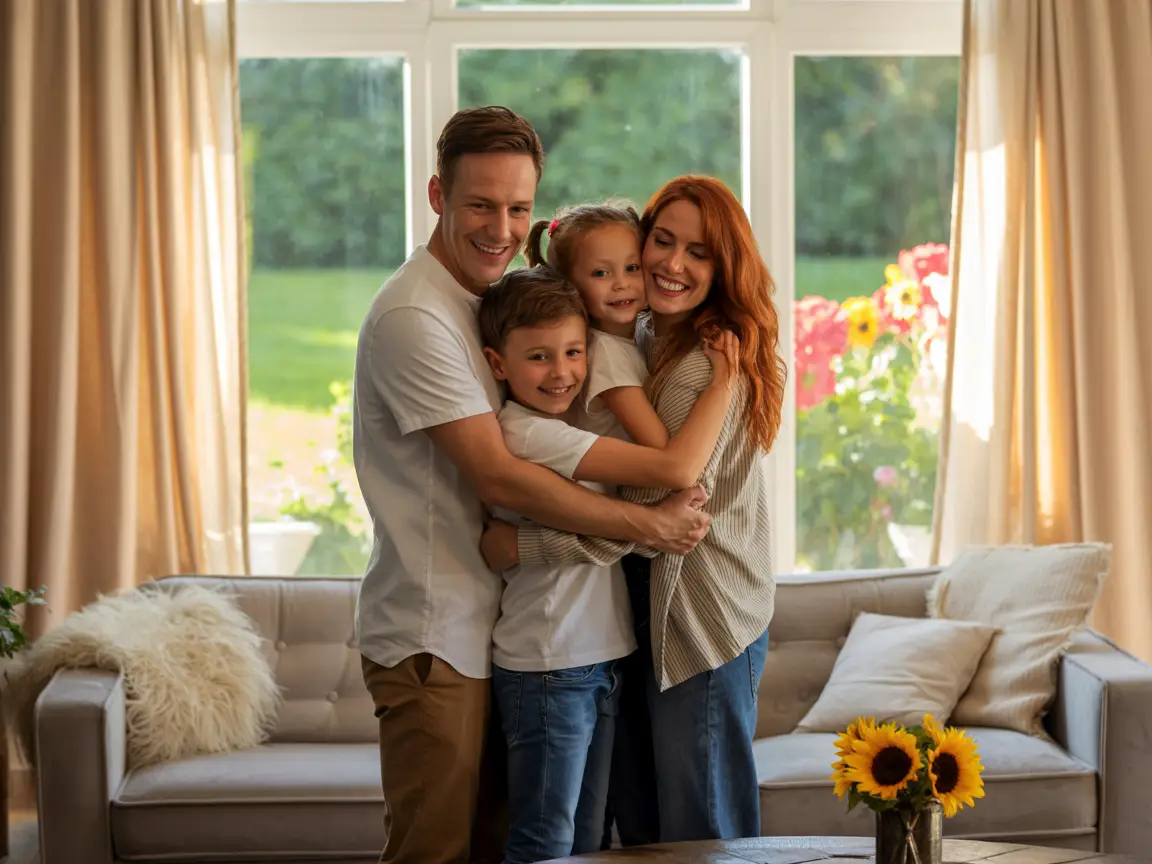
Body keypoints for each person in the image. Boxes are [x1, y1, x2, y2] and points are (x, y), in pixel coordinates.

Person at [352, 108, 713, 864]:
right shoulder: (416, 315)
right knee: (436, 851)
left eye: (518, 208)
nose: (500, 228)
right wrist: (646, 527)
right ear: (436, 196)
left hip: (490, 625)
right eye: (481, 204)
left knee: (505, 844)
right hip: (431, 633)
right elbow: (497, 470)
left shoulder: (492, 298)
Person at [481, 175, 786, 842]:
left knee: (703, 830)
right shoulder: (650, 338)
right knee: (650, 827)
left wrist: (527, 548)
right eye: (663, 241)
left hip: (699, 611)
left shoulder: (700, 368)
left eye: (698, 252)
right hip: (666, 609)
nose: (671, 264)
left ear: (726, 264)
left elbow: (659, 518)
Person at [475, 266, 739, 864]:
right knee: (545, 841)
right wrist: (723, 383)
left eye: (573, 352)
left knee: (590, 844)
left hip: (598, 657)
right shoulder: (525, 434)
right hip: (549, 661)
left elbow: (615, 518)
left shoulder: (568, 424)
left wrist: (528, 545)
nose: (562, 371)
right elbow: (659, 486)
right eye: (538, 357)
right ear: (498, 364)